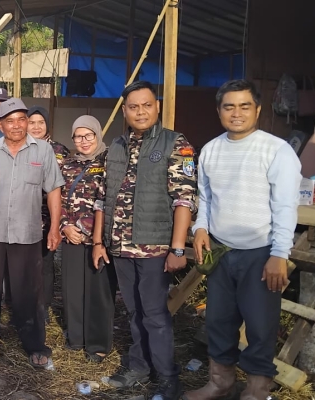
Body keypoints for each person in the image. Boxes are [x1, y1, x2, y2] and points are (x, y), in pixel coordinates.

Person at [184, 80, 299, 400]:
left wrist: (279, 253)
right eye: (229, 106)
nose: (237, 113)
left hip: (261, 253)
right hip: (220, 250)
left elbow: (285, 206)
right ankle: (221, 383)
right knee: (219, 319)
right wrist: (201, 228)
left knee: (261, 326)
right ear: (219, 110)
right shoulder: (210, 150)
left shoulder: (277, 150)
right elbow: (205, 200)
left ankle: (257, 389)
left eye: (244, 106)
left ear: (258, 110)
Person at [92, 81, 197, 400]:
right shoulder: (116, 146)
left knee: (154, 313)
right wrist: (99, 241)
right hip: (120, 247)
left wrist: (178, 247)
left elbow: (185, 198)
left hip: (154, 248)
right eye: (133, 107)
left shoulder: (176, 144)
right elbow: (101, 197)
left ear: (158, 107)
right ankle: (139, 367)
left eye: (146, 105)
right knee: (135, 311)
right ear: (124, 111)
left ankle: (167, 377)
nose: (140, 111)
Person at [0, 98, 63, 369]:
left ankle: (34, 344)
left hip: (27, 233)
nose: (17, 125)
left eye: (22, 120)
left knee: (28, 290)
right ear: (0, 123)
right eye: (10, 120)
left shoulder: (42, 151)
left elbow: (54, 190)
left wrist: (54, 227)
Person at [59, 115, 114, 363]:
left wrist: (92, 233)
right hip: (71, 236)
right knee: (72, 289)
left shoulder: (111, 162)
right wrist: (65, 226)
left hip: (99, 240)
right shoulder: (68, 164)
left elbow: (112, 201)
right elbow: (57, 199)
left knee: (98, 291)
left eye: (88, 135)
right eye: (78, 136)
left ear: (97, 134)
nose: (83, 141)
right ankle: (76, 337)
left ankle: (98, 343)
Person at [27, 105, 70, 318]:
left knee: (45, 264)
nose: (36, 127)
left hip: (47, 219)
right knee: (22, 264)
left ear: (47, 125)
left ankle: (42, 308)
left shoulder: (60, 151)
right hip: (22, 219)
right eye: (32, 122)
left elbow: (64, 187)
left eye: (40, 122)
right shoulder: (20, 147)